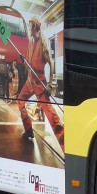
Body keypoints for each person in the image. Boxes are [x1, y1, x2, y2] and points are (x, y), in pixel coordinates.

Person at [16, 17, 64, 149]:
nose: (28, 28)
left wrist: (49, 84)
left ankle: (65, 144)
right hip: (30, 81)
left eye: (29, 25)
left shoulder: (42, 44)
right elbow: (28, 63)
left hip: (40, 84)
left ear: (35, 27)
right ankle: (29, 130)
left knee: (50, 113)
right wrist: (24, 59)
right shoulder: (30, 42)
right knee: (20, 102)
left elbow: (51, 64)